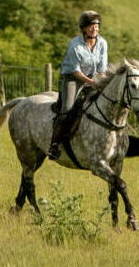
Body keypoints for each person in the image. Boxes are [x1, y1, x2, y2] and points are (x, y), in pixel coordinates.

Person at [46, 10, 109, 160]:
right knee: (67, 109)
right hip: (73, 78)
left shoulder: (102, 43)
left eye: (97, 26)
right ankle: (54, 145)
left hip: (93, 78)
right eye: (91, 26)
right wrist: (91, 82)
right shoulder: (75, 44)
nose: (95, 29)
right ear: (84, 28)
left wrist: (102, 82)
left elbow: (102, 69)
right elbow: (75, 70)